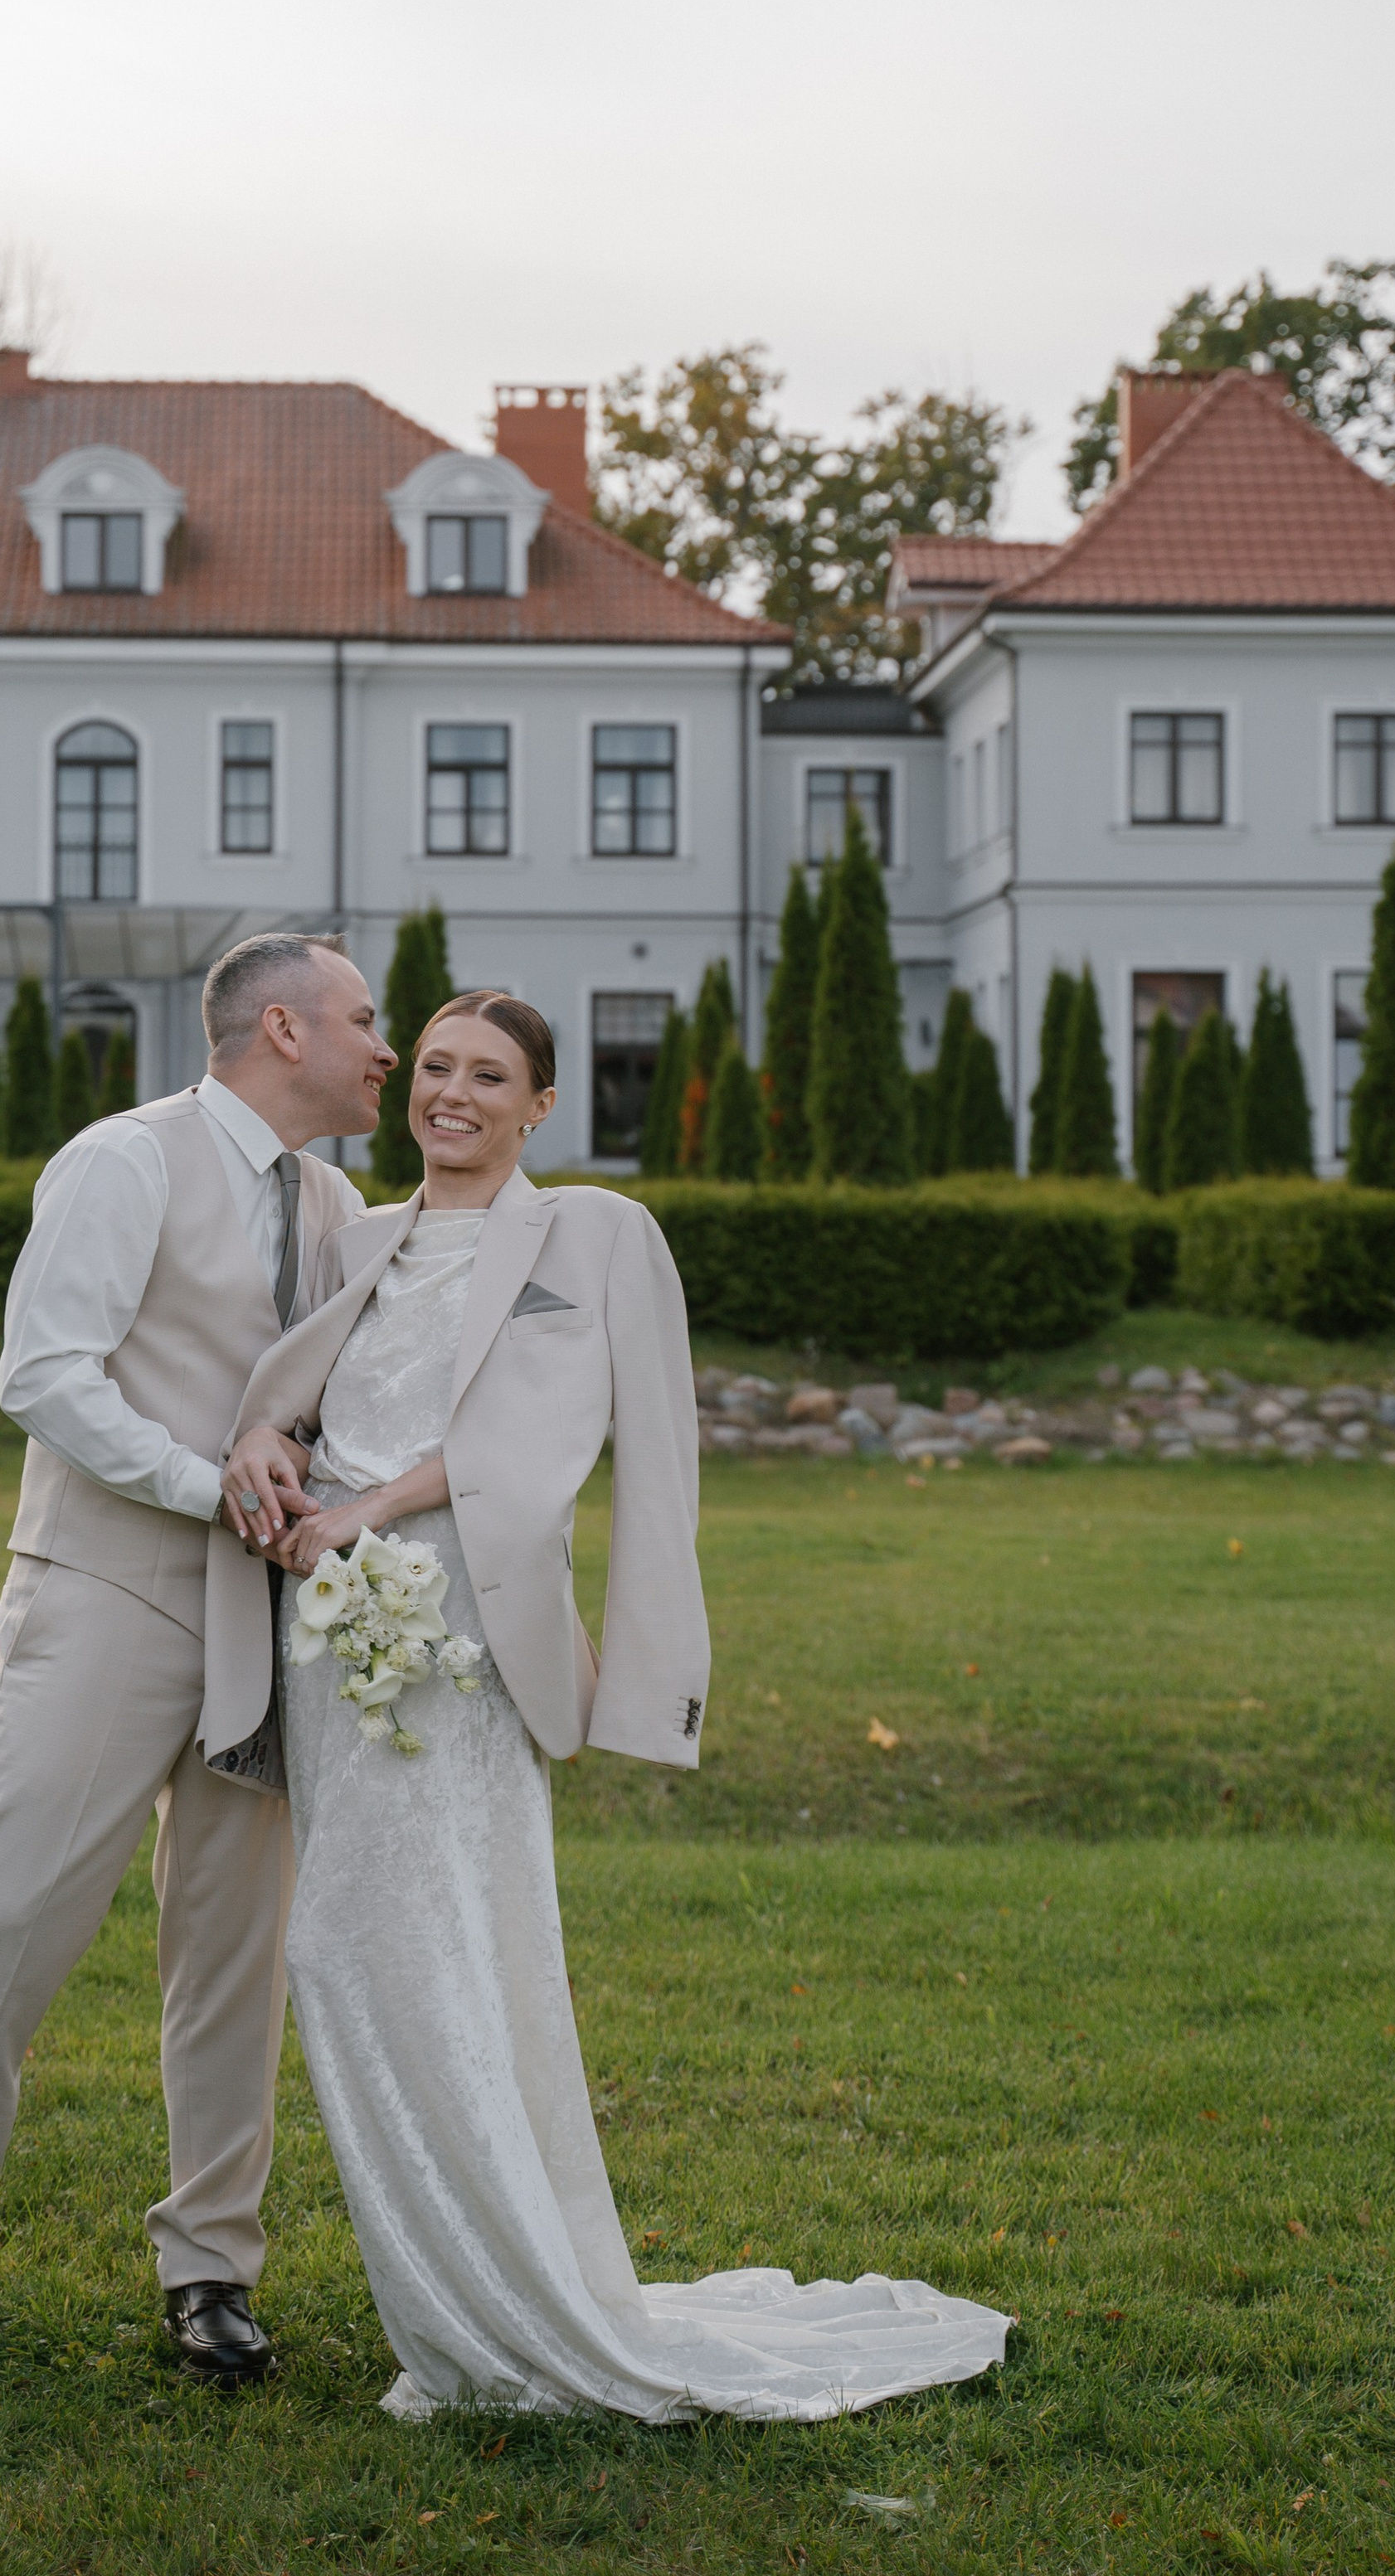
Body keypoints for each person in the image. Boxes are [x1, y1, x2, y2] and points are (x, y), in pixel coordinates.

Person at [224, 987, 1009, 2420]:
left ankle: (512, 2302)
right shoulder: (357, 1236)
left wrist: (365, 1516)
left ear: (541, 1106)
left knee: (411, 1945)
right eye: (436, 1066)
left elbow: (555, 1435)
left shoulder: (595, 1233)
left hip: (460, 1625)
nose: (452, 1093)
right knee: (367, 1950)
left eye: (491, 1076)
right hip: (326, 1631)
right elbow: (308, 1395)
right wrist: (274, 1450)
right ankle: (463, 2301)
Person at [0, 933, 393, 2392]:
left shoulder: (337, 1204)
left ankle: (213, 2269)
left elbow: (350, 1397)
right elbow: (44, 1372)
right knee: (9, 1913)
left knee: (235, 1952)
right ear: (283, 1027)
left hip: (268, 1618)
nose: (385, 1049)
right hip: (107, 1590)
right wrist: (213, 1484)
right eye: (365, 1018)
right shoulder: (124, 1158)